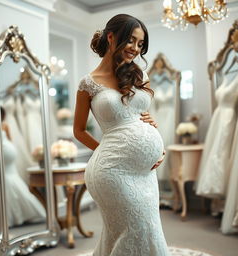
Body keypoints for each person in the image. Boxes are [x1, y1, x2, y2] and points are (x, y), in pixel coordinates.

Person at [73, 14, 169, 256]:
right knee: (135, 228)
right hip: (111, 170)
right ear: (112, 36)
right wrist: (107, 150)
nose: (136, 49)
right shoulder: (88, 84)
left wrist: (156, 140)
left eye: (140, 45)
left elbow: (139, 117)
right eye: (132, 41)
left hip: (145, 173)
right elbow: (79, 130)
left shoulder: (138, 76)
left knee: (145, 228)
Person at [1, 106, 46, 227]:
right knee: (7, 181)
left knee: (11, 180)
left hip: (9, 154)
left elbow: (10, 140)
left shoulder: (4, 125)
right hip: (3, 156)